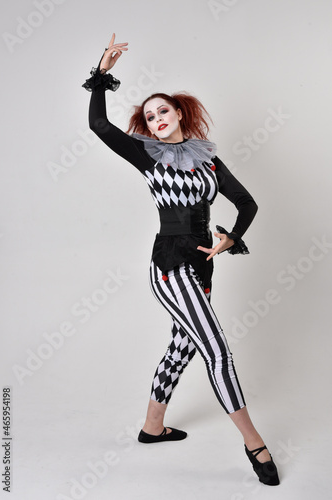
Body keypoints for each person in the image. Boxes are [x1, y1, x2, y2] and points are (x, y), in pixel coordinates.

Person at [82, 33, 280, 486]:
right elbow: (99, 126)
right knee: (216, 348)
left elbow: (247, 203)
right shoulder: (147, 156)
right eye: (149, 117)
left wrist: (231, 237)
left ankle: (153, 428)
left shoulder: (207, 160)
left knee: (184, 345)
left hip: (202, 262)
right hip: (169, 265)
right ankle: (255, 444)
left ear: (179, 113)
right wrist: (103, 72)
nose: (156, 121)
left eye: (162, 112)